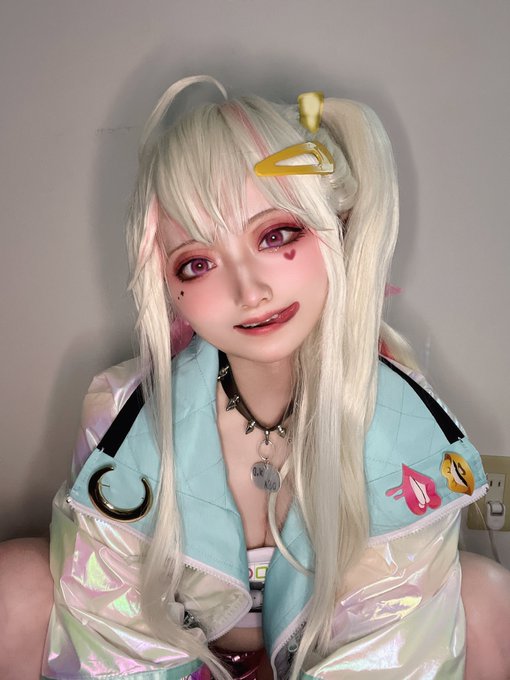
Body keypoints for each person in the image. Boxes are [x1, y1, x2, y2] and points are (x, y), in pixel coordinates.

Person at [2, 76, 510, 680]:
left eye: (276, 235)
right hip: (184, 661)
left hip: (328, 657)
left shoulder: (401, 424)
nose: (248, 291)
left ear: (340, 225)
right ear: (166, 282)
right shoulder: (122, 413)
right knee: (16, 583)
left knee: (486, 596)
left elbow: (392, 646)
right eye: (197, 262)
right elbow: (112, 630)